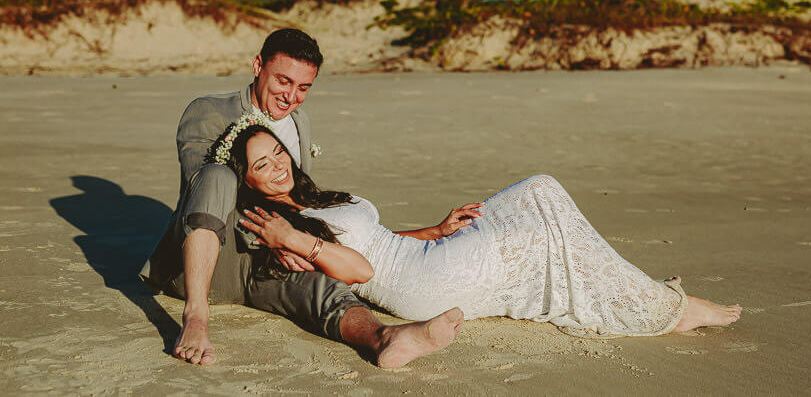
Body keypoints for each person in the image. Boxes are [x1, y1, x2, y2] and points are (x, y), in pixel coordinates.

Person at [220, 122, 743, 338]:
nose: (277, 167)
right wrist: (290, 241)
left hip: (423, 259)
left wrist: (437, 228)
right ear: (247, 180)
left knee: (543, 212)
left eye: (277, 153)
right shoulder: (281, 225)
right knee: (541, 196)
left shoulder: (311, 198)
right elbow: (360, 267)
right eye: (261, 166)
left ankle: (647, 299)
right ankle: (661, 308)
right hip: (417, 287)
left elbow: (378, 240)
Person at [140, 28, 462, 368]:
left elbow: (300, 201)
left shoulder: (298, 121)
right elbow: (202, 188)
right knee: (217, 174)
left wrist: (292, 240)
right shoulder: (208, 112)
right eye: (283, 81)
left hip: (264, 265)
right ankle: (196, 318)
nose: (290, 96)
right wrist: (272, 236)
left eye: (303, 87)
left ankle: (383, 338)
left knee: (321, 286)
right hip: (214, 260)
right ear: (257, 66)